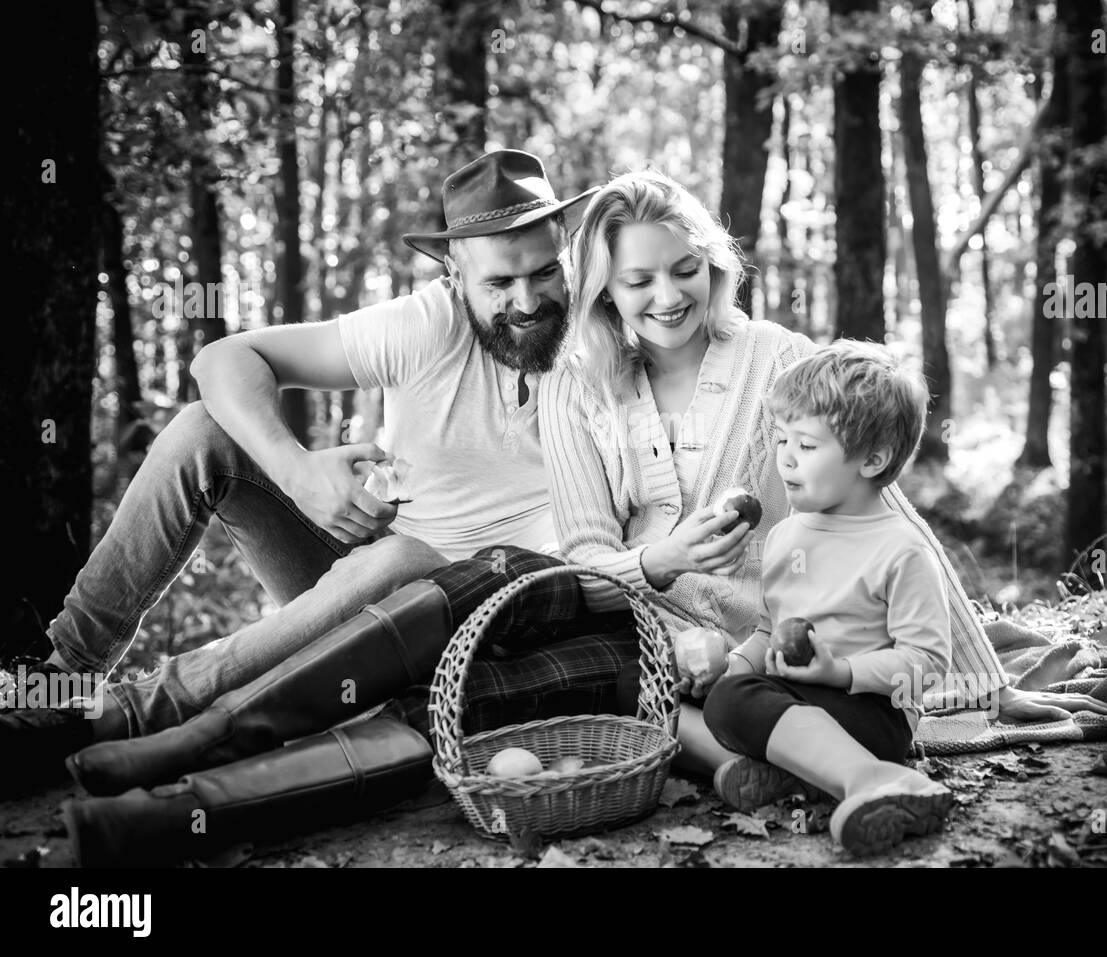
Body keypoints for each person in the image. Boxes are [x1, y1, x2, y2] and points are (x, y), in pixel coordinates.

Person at [1, 153, 646, 863]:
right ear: (455, 276)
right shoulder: (426, 326)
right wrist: (299, 472)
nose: (527, 301)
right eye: (499, 282)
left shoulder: (610, 341)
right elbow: (223, 360)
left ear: (568, 256)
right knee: (201, 431)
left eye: (544, 272)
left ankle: (134, 712)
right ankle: (59, 677)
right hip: (350, 599)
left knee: (405, 557)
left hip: (472, 641)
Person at [540, 170, 1107, 801]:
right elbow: (582, 559)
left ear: (712, 264)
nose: (669, 295)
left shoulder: (776, 359)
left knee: (735, 691)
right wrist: (661, 560)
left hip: (775, 637)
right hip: (649, 629)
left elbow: (881, 509)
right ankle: (762, 766)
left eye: (685, 269)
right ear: (602, 292)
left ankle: (774, 760)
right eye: (638, 280)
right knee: (610, 677)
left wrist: (986, 683)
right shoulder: (575, 386)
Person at [703, 340, 955, 857]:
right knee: (669, 690)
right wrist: (731, 665)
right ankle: (794, 773)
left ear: (873, 459)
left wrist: (840, 672)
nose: (786, 459)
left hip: (871, 715)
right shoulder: (785, 536)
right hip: (794, 701)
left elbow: (928, 664)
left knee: (734, 704)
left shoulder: (901, 549)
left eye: (808, 446)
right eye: (781, 440)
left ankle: (875, 778)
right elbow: (768, 633)